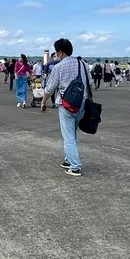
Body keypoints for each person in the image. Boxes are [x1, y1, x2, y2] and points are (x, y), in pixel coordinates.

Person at [42, 38, 90, 176]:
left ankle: (75, 166)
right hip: (81, 104)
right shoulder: (83, 65)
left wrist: (43, 102)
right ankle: (68, 159)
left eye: (57, 52)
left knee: (68, 135)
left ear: (61, 52)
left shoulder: (58, 67)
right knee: (72, 133)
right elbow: (90, 84)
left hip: (66, 105)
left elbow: (49, 88)